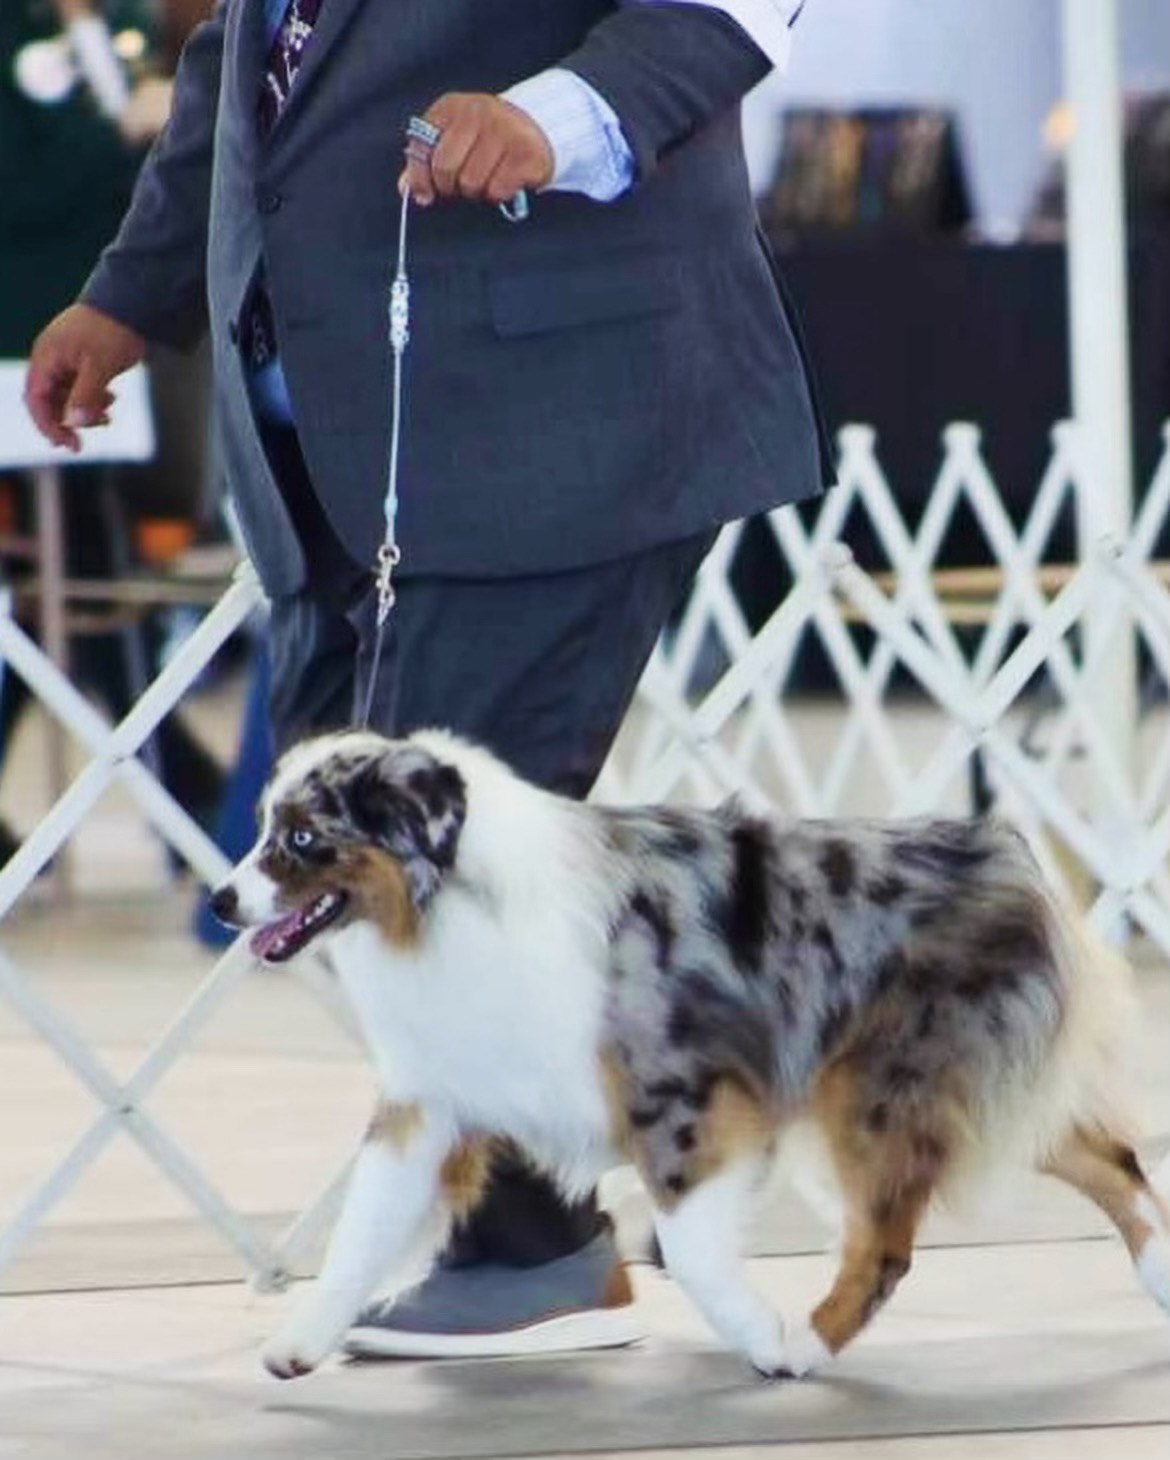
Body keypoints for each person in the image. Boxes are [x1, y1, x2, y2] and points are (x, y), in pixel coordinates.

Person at [25, 0, 833, 1359]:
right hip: (326, 444)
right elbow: (248, 72)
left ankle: (525, 1248)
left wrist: (552, 118)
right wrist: (129, 296)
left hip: (556, 409)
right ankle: (542, 1231)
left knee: (429, 853)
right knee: (363, 849)